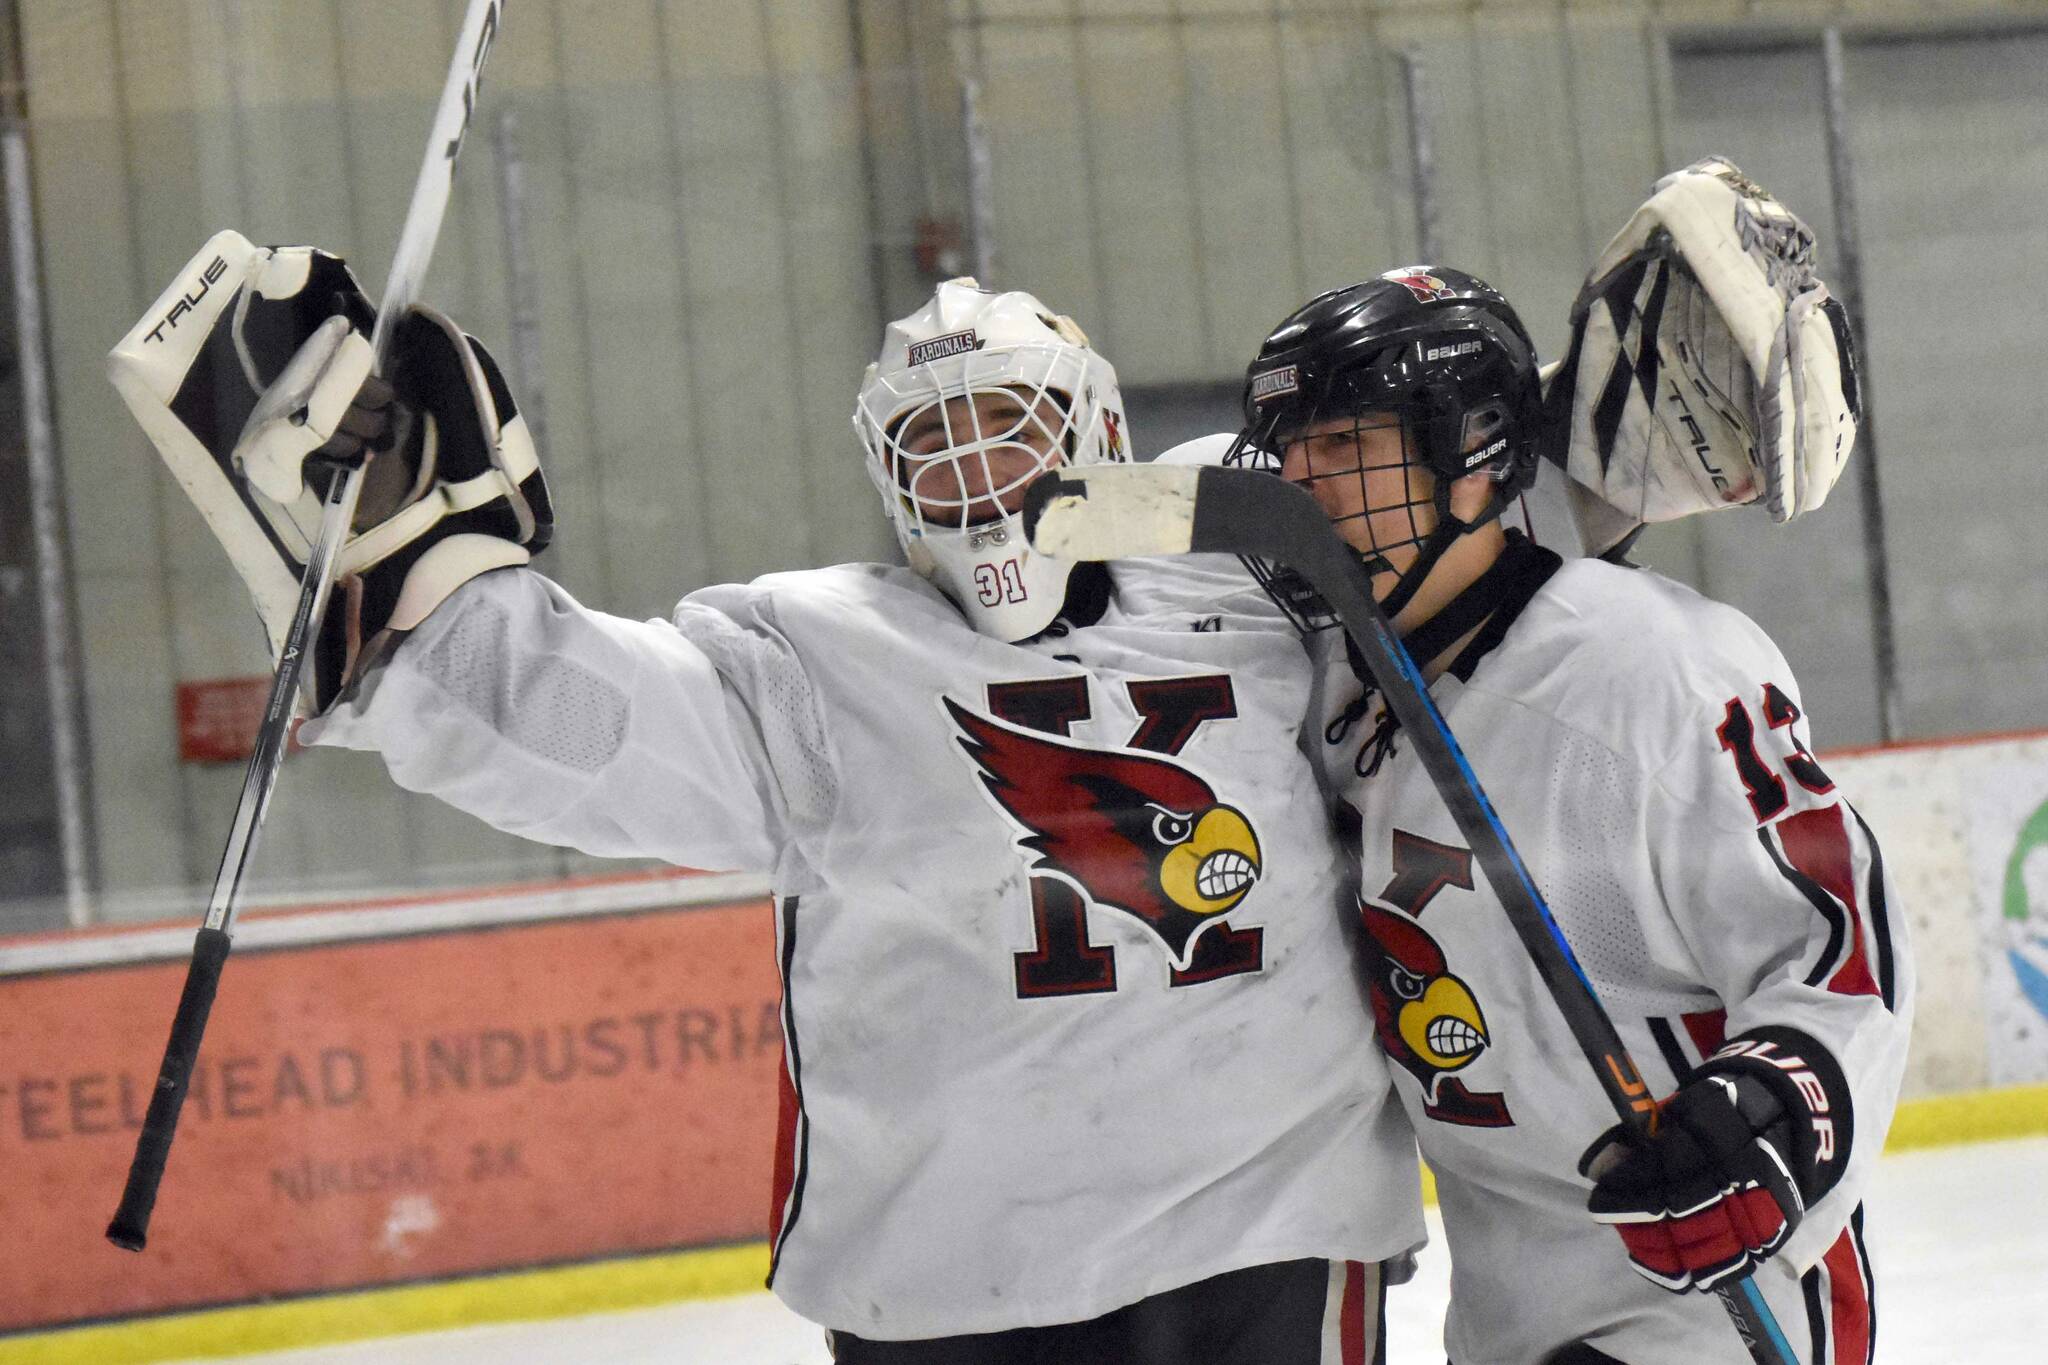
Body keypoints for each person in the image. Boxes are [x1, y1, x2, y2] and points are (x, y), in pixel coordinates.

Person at [113, 246, 1423, 1362]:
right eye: (932, 439)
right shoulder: (819, 654)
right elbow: (576, 722)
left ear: (1098, 429)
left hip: (1267, 1230)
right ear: (886, 473)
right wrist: (410, 560)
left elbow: (1480, 535)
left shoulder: (1258, 564)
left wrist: (1591, 417)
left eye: (1010, 422)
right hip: (948, 1270)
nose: (976, 471)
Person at [1222, 263, 1912, 1364]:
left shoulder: (1652, 668)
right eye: (1289, 455)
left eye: (1344, 449)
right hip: (1503, 1300)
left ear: (1473, 451)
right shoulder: (1336, 681)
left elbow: (1839, 947)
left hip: (1707, 1294)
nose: (1302, 488)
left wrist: (1767, 1118)